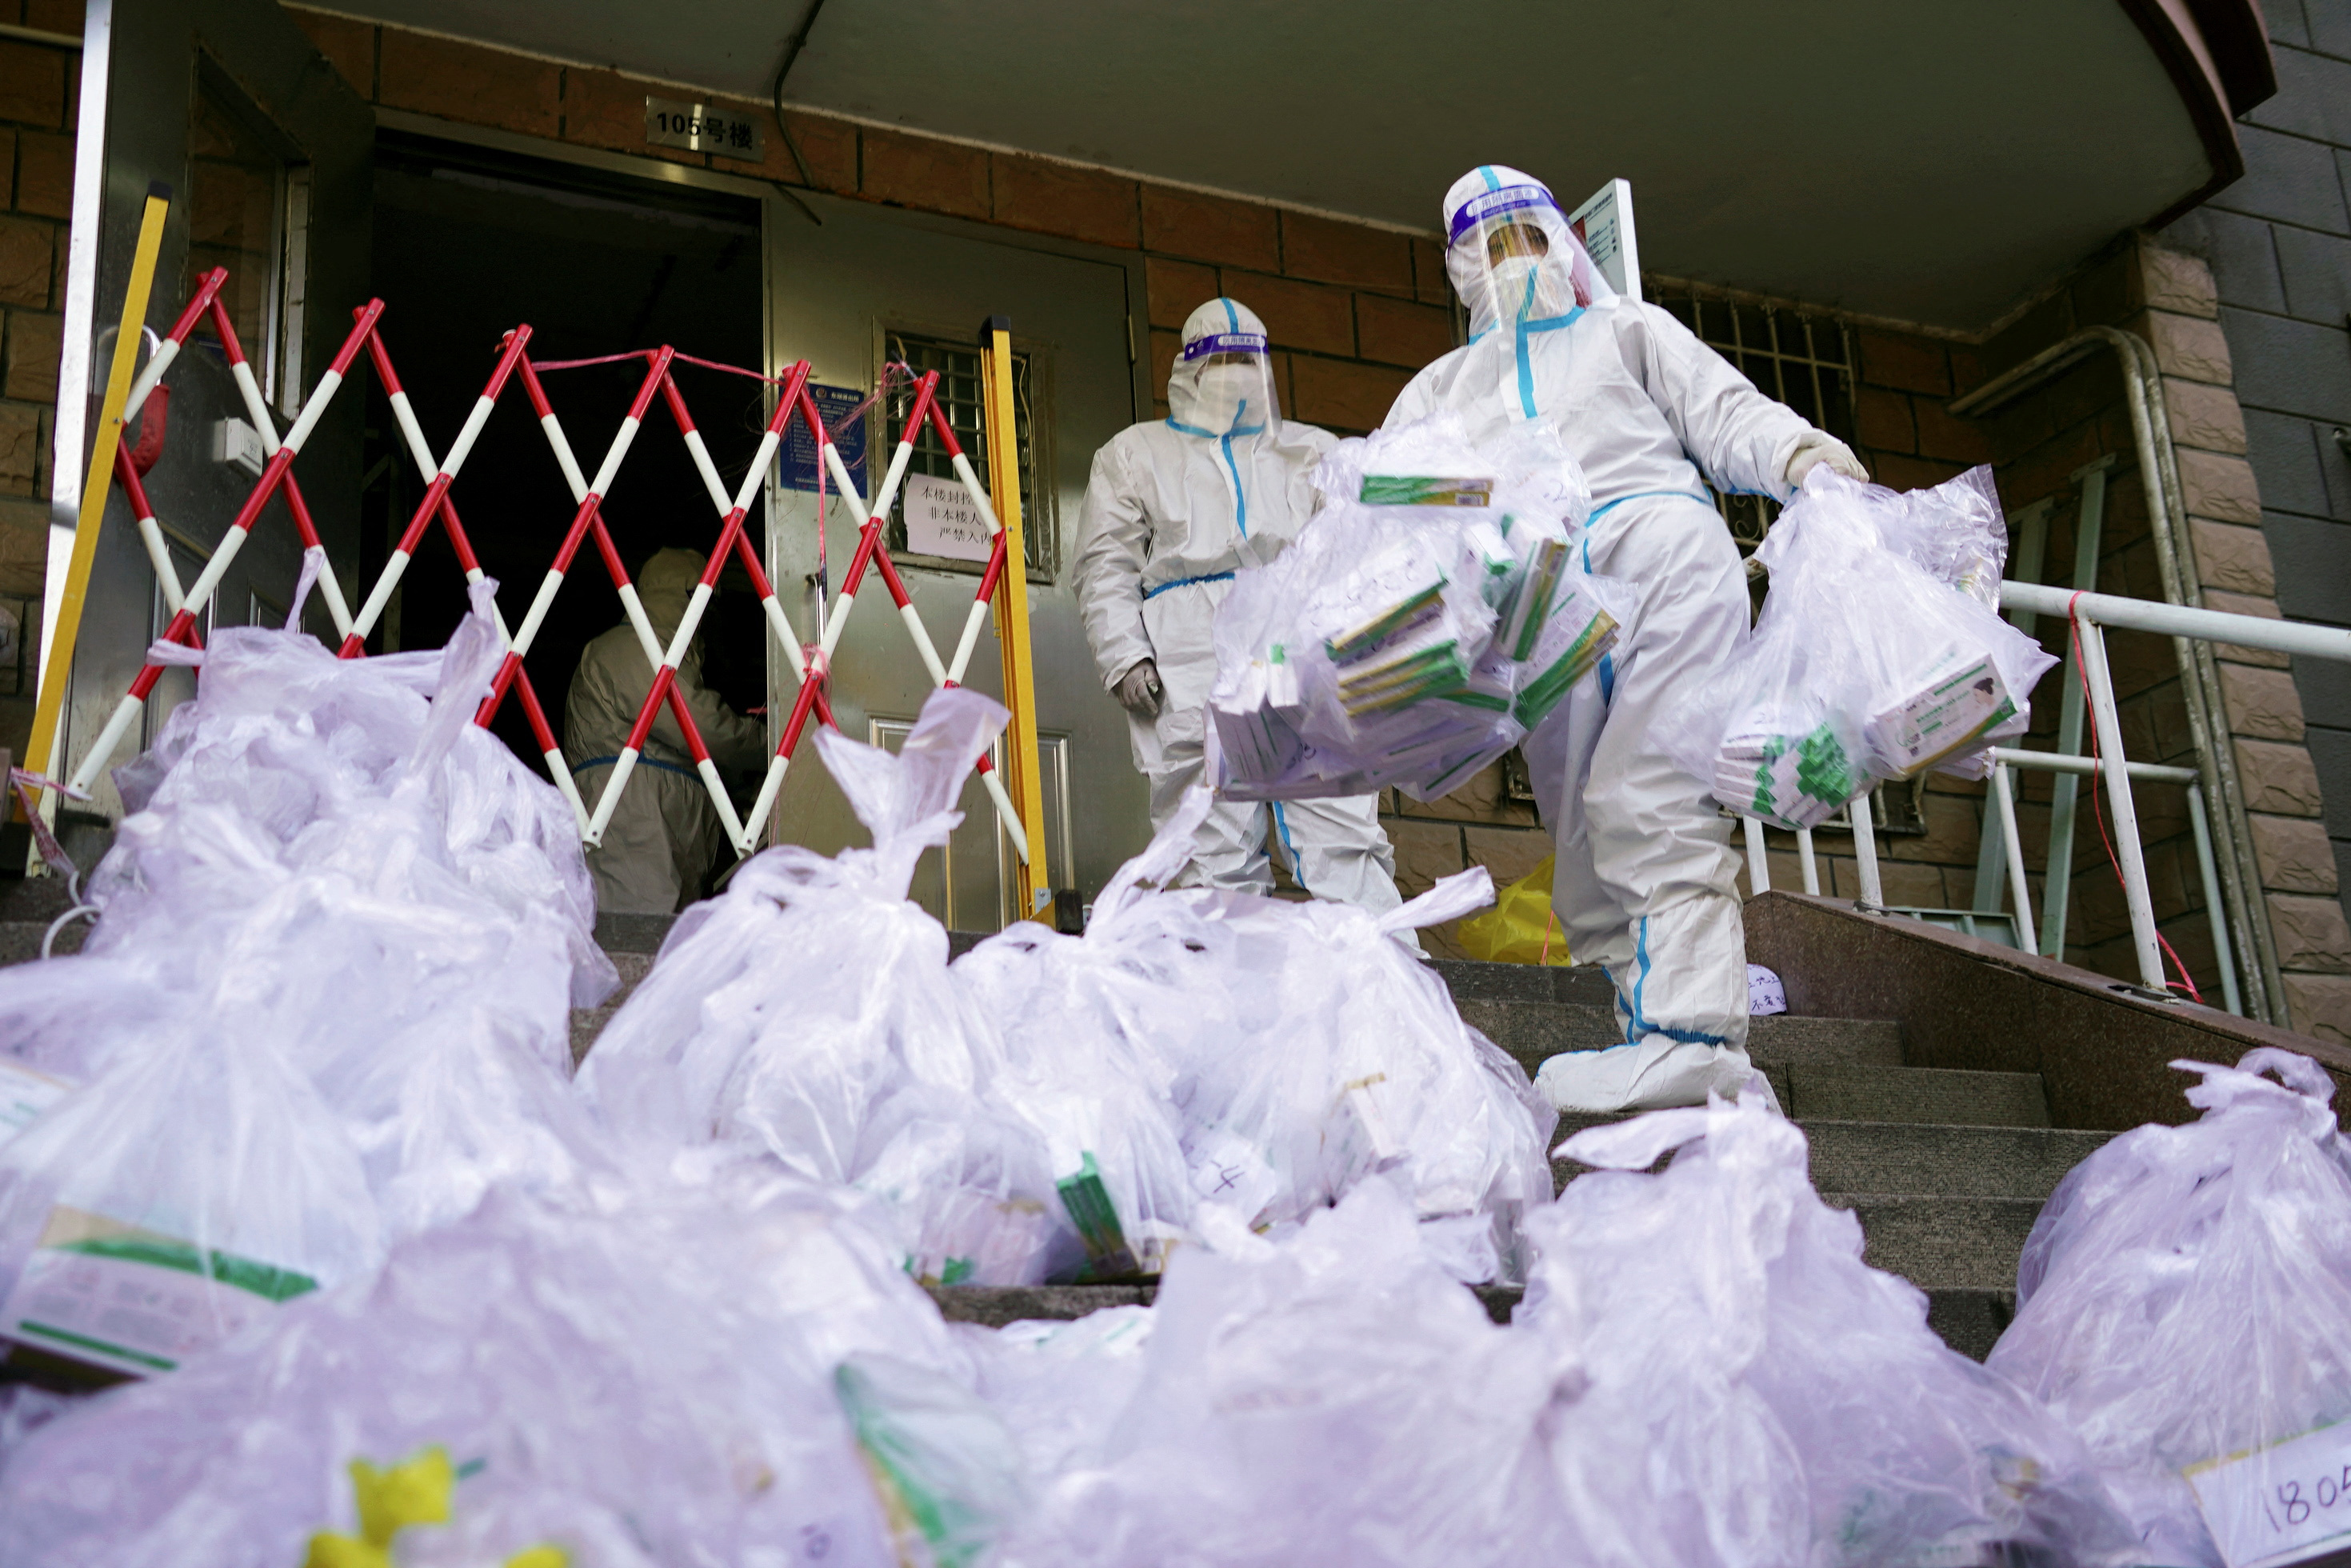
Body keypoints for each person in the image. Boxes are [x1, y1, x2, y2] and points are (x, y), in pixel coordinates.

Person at [1386, 165, 1868, 1114]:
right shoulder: (1438, 390)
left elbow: (1722, 411)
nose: (1514, 261)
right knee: (1581, 824)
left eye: (1529, 237)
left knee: (1648, 795)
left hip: (1664, 559)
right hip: (1543, 604)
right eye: (1492, 246)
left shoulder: (1625, 329)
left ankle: (1693, 1035)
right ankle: (1650, 1030)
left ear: (1563, 244)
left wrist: (1801, 457)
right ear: (1459, 269)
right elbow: (1393, 511)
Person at [1072, 298, 1403, 913]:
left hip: (1300, 641)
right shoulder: (1134, 454)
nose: (1234, 373)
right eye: (1219, 360)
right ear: (1187, 372)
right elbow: (1104, 563)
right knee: (1208, 843)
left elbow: (1362, 548)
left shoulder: (1313, 452)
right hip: (1190, 654)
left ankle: (1382, 978)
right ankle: (1223, 990)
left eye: (1247, 360)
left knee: (1338, 824)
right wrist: (1124, 656)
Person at [564, 546, 765, 914]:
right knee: (641, 944)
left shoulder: (665, 654)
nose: (711, 615)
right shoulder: (633, 649)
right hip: (635, 828)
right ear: (687, 594)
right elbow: (699, 725)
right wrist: (772, 744)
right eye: (707, 599)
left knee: (666, 948)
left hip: (657, 829)